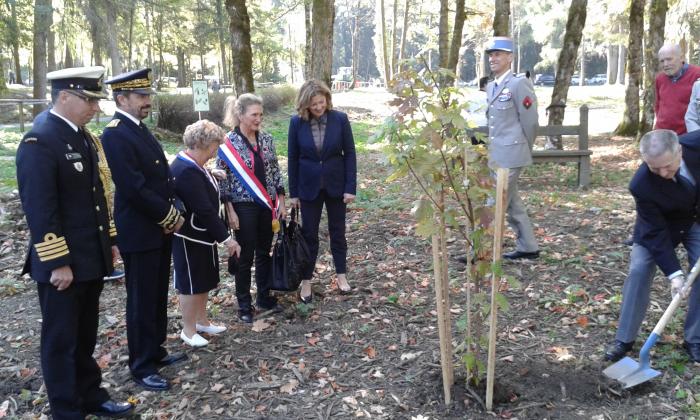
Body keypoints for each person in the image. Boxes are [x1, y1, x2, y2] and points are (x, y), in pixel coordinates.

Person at [15, 66, 134, 419]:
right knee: (61, 340)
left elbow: (96, 198)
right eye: (89, 100)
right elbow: (40, 208)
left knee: (84, 335)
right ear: (64, 97)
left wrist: (109, 241)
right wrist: (56, 262)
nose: (95, 108)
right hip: (63, 264)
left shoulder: (80, 136)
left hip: (89, 257)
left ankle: (90, 396)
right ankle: (66, 410)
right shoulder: (40, 139)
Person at [101, 68, 186, 391]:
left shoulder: (138, 128)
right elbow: (133, 188)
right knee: (140, 299)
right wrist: (168, 216)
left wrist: (173, 209)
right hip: (140, 229)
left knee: (156, 295)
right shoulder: (115, 133)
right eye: (140, 97)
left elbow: (161, 177)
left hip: (159, 226)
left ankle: (156, 350)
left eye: (148, 95)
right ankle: (141, 365)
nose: (147, 101)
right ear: (122, 99)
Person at [604, 129, 700, 364]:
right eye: (654, 168)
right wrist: (675, 275)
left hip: (695, 219)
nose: (663, 173)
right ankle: (624, 340)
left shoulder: (696, 144)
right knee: (639, 269)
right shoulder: (641, 185)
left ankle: (695, 339)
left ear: (679, 150)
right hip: (661, 226)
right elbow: (655, 233)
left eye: (667, 166)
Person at [217, 93, 287, 323]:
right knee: (245, 255)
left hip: (266, 204)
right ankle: (244, 304)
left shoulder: (266, 139)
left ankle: (264, 297)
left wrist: (281, 201)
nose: (259, 119)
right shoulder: (228, 143)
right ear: (240, 115)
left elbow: (275, 171)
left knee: (264, 252)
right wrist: (229, 209)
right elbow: (222, 178)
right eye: (254, 115)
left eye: (261, 114)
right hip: (242, 205)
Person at [171, 120, 241, 347]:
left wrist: (212, 173)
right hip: (190, 236)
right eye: (214, 145)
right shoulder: (186, 170)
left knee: (203, 281)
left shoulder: (195, 165)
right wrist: (227, 239)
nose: (216, 150)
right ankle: (189, 330)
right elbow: (204, 209)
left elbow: (200, 180)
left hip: (202, 236)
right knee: (191, 284)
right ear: (203, 144)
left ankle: (202, 321)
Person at [287, 80, 357, 303]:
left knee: (338, 232)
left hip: (336, 184)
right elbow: (292, 159)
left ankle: (341, 276)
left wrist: (350, 187)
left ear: (327, 99)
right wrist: (294, 193)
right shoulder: (296, 123)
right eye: (313, 103)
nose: (318, 107)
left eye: (321, 102)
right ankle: (306, 280)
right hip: (308, 187)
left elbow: (351, 154)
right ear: (305, 104)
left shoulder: (340, 119)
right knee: (309, 234)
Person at [484, 36, 540, 260]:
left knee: (494, 203)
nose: (493, 58)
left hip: (512, 154)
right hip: (497, 155)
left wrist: (523, 147)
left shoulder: (518, 84)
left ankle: (480, 251)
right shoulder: (491, 86)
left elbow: (531, 122)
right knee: (513, 203)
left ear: (510, 57)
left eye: (498, 54)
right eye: (491, 54)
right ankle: (528, 247)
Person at [654, 44, 700, 135]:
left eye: (669, 59)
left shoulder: (697, 75)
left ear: (682, 58)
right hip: (663, 135)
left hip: (688, 136)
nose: (665, 64)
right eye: (662, 61)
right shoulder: (660, 79)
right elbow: (658, 105)